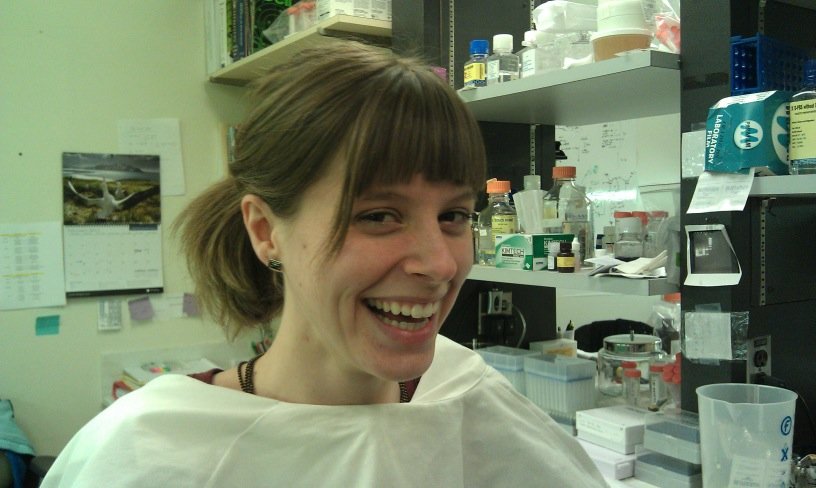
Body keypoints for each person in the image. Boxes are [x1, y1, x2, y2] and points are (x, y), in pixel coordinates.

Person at [41, 41, 608, 487]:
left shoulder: (468, 399)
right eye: (380, 215)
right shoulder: (155, 452)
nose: (438, 263)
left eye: (454, 216)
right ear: (266, 231)